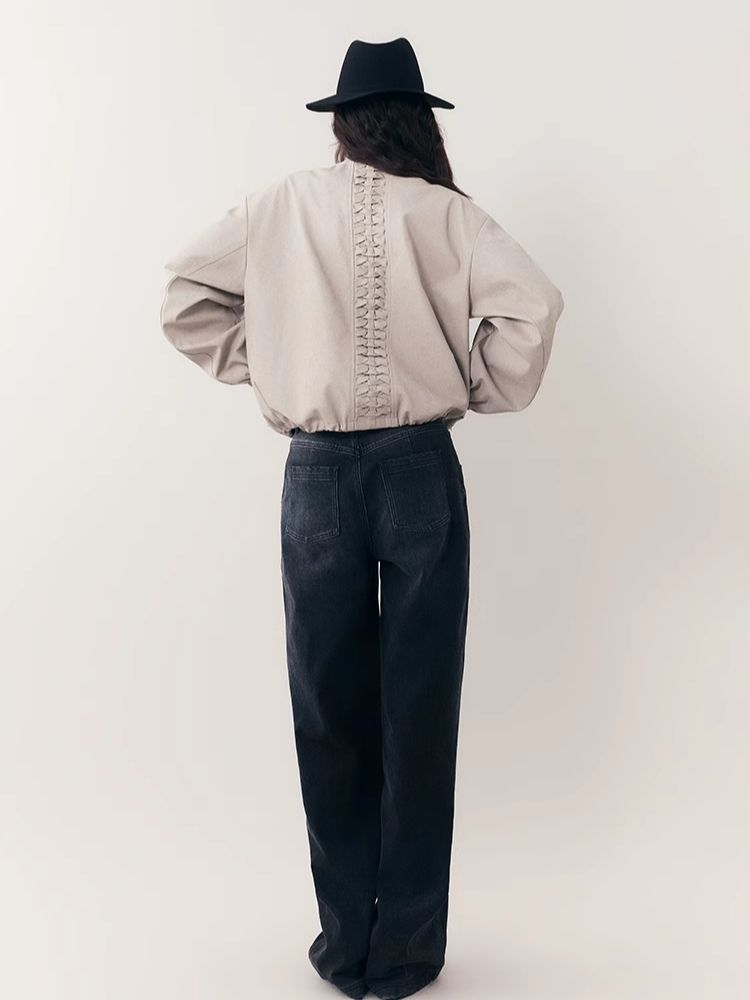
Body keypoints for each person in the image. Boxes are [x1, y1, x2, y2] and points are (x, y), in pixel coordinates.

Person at [159, 35, 564, 1000]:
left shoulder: (276, 206)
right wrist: (472, 383)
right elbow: (535, 308)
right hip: (420, 467)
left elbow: (184, 296)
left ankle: (346, 951)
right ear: (418, 121)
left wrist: (277, 366)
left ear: (341, 124)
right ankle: (408, 956)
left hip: (316, 477)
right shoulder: (448, 213)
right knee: (420, 711)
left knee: (327, 711)